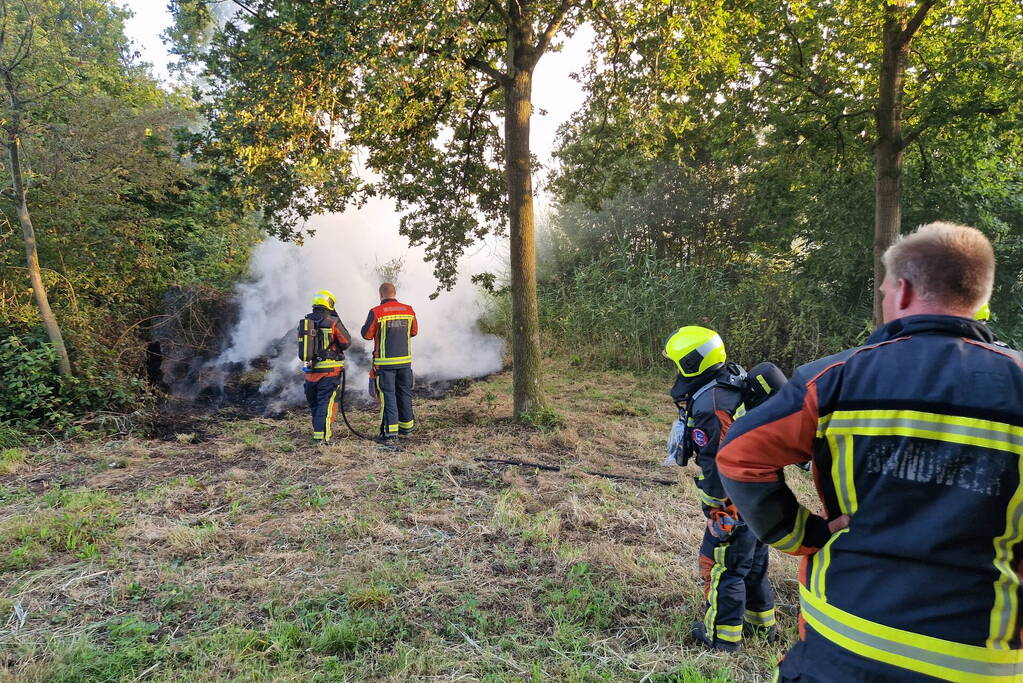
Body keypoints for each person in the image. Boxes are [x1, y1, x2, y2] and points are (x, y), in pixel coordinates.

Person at [718, 222, 1023, 681]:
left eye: (883, 291)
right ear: (980, 295)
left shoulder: (832, 380)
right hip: (981, 658)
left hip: (842, 640)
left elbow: (740, 455)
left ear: (903, 291)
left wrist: (801, 535)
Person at [662, 326, 776, 652]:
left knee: (723, 567)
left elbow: (717, 463)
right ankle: (761, 624)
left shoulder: (712, 407)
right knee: (752, 563)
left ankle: (721, 637)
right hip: (759, 493)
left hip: (734, 501)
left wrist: (718, 509)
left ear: (691, 363)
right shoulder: (729, 380)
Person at [361, 282, 418, 443]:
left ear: (381, 294)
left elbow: (366, 335)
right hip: (405, 363)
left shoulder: (376, 312)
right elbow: (414, 332)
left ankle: (390, 434)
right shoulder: (409, 310)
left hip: (385, 364)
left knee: (388, 396)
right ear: (395, 293)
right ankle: (406, 429)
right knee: (404, 393)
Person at [300, 289, 352, 444]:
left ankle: (318, 432)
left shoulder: (305, 322)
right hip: (329, 372)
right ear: (329, 303)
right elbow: (346, 342)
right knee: (326, 403)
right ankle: (322, 437)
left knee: (315, 404)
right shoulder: (333, 322)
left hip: (310, 371)